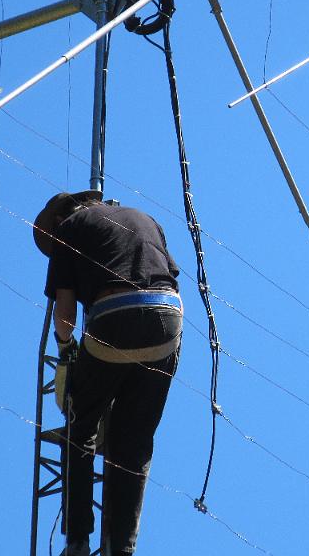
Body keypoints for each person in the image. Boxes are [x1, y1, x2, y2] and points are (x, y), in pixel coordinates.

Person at [33, 190, 182, 556]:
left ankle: (79, 540)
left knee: (81, 426)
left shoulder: (67, 228)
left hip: (114, 318)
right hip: (168, 322)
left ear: (56, 222)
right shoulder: (146, 217)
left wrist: (68, 350)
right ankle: (121, 549)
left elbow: (65, 315)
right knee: (133, 444)